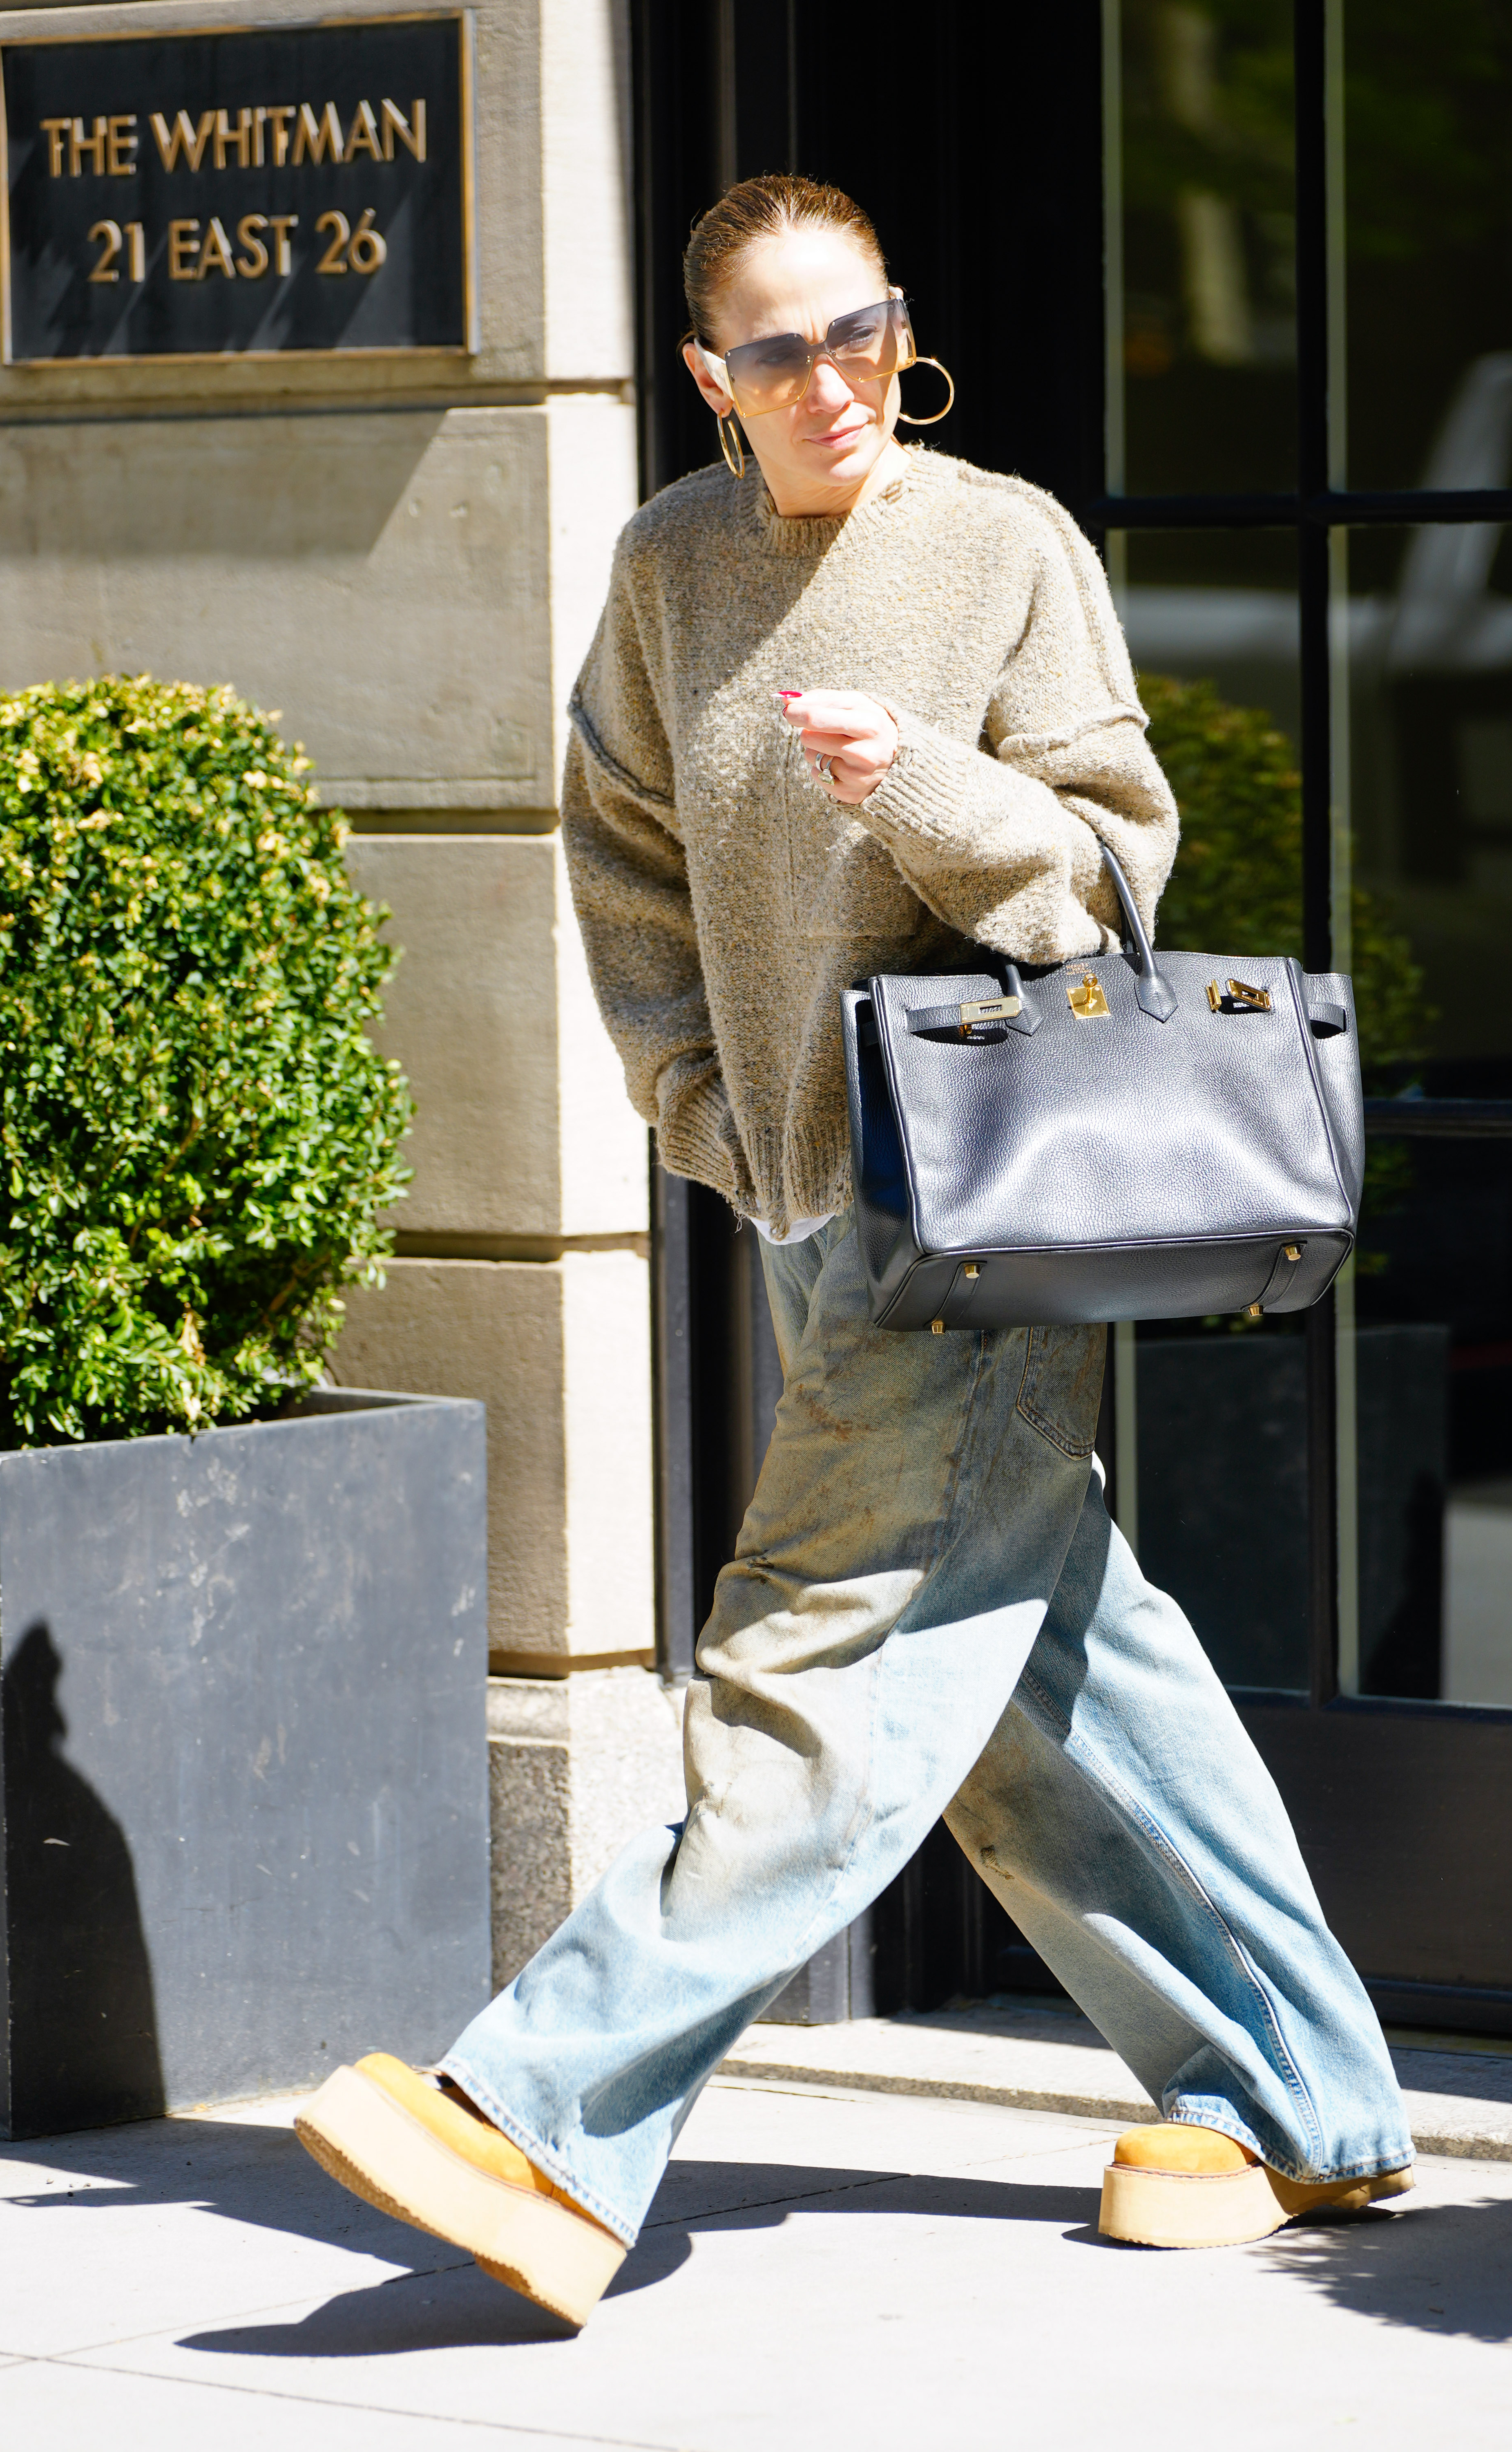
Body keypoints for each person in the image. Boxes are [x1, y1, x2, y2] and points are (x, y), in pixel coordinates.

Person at [294, 173, 1416, 2325]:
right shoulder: (670, 566)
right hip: (811, 1198)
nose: (838, 381)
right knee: (1046, 1665)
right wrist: (704, 1118)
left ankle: (550, 2120)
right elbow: (623, 866)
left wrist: (920, 787)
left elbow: (1106, 888)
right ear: (713, 378)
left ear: (906, 333)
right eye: (786, 349)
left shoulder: (1001, 548)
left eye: (867, 331)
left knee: (821, 1636)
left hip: (987, 1201)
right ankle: (1308, 2097)